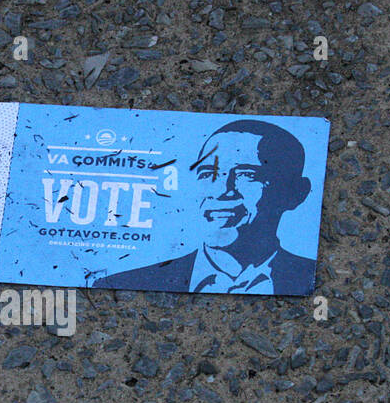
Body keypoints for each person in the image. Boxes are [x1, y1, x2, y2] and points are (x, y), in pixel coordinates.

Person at [91, 119, 317, 295]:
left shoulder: (311, 279)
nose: (222, 190)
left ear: (294, 194)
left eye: (247, 174)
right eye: (208, 173)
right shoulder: (121, 284)